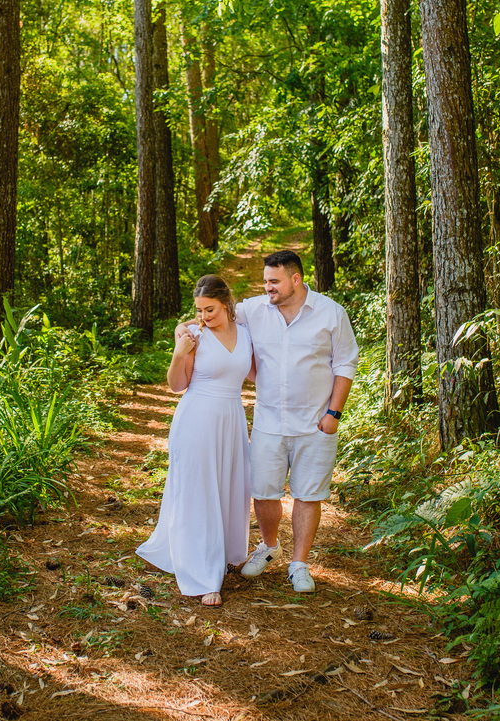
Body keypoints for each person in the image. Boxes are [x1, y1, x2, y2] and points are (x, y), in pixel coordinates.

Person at [176, 250, 358, 593]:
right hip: (268, 420)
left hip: (315, 422)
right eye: (265, 281)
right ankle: (269, 546)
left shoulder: (330, 313)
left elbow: (345, 365)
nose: (267, 287)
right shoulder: (254, 310)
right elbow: (204, 316)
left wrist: (333, 414)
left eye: (273, 281)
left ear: (296, 280)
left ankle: (300, 564)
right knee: (263, 490)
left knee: (308, 493)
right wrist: (182, 335)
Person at [137, 275, 254, 606]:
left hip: (231, 418)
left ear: (227, 303)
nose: (204, 317)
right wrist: (179, 350)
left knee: (231, 486)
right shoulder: (195, 335)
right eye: (200, 310)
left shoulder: (246, 333)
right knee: (200, 491)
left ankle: (229, 553)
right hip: (197, 417)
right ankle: (204, 574)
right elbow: (176, 385)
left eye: (211, 309)